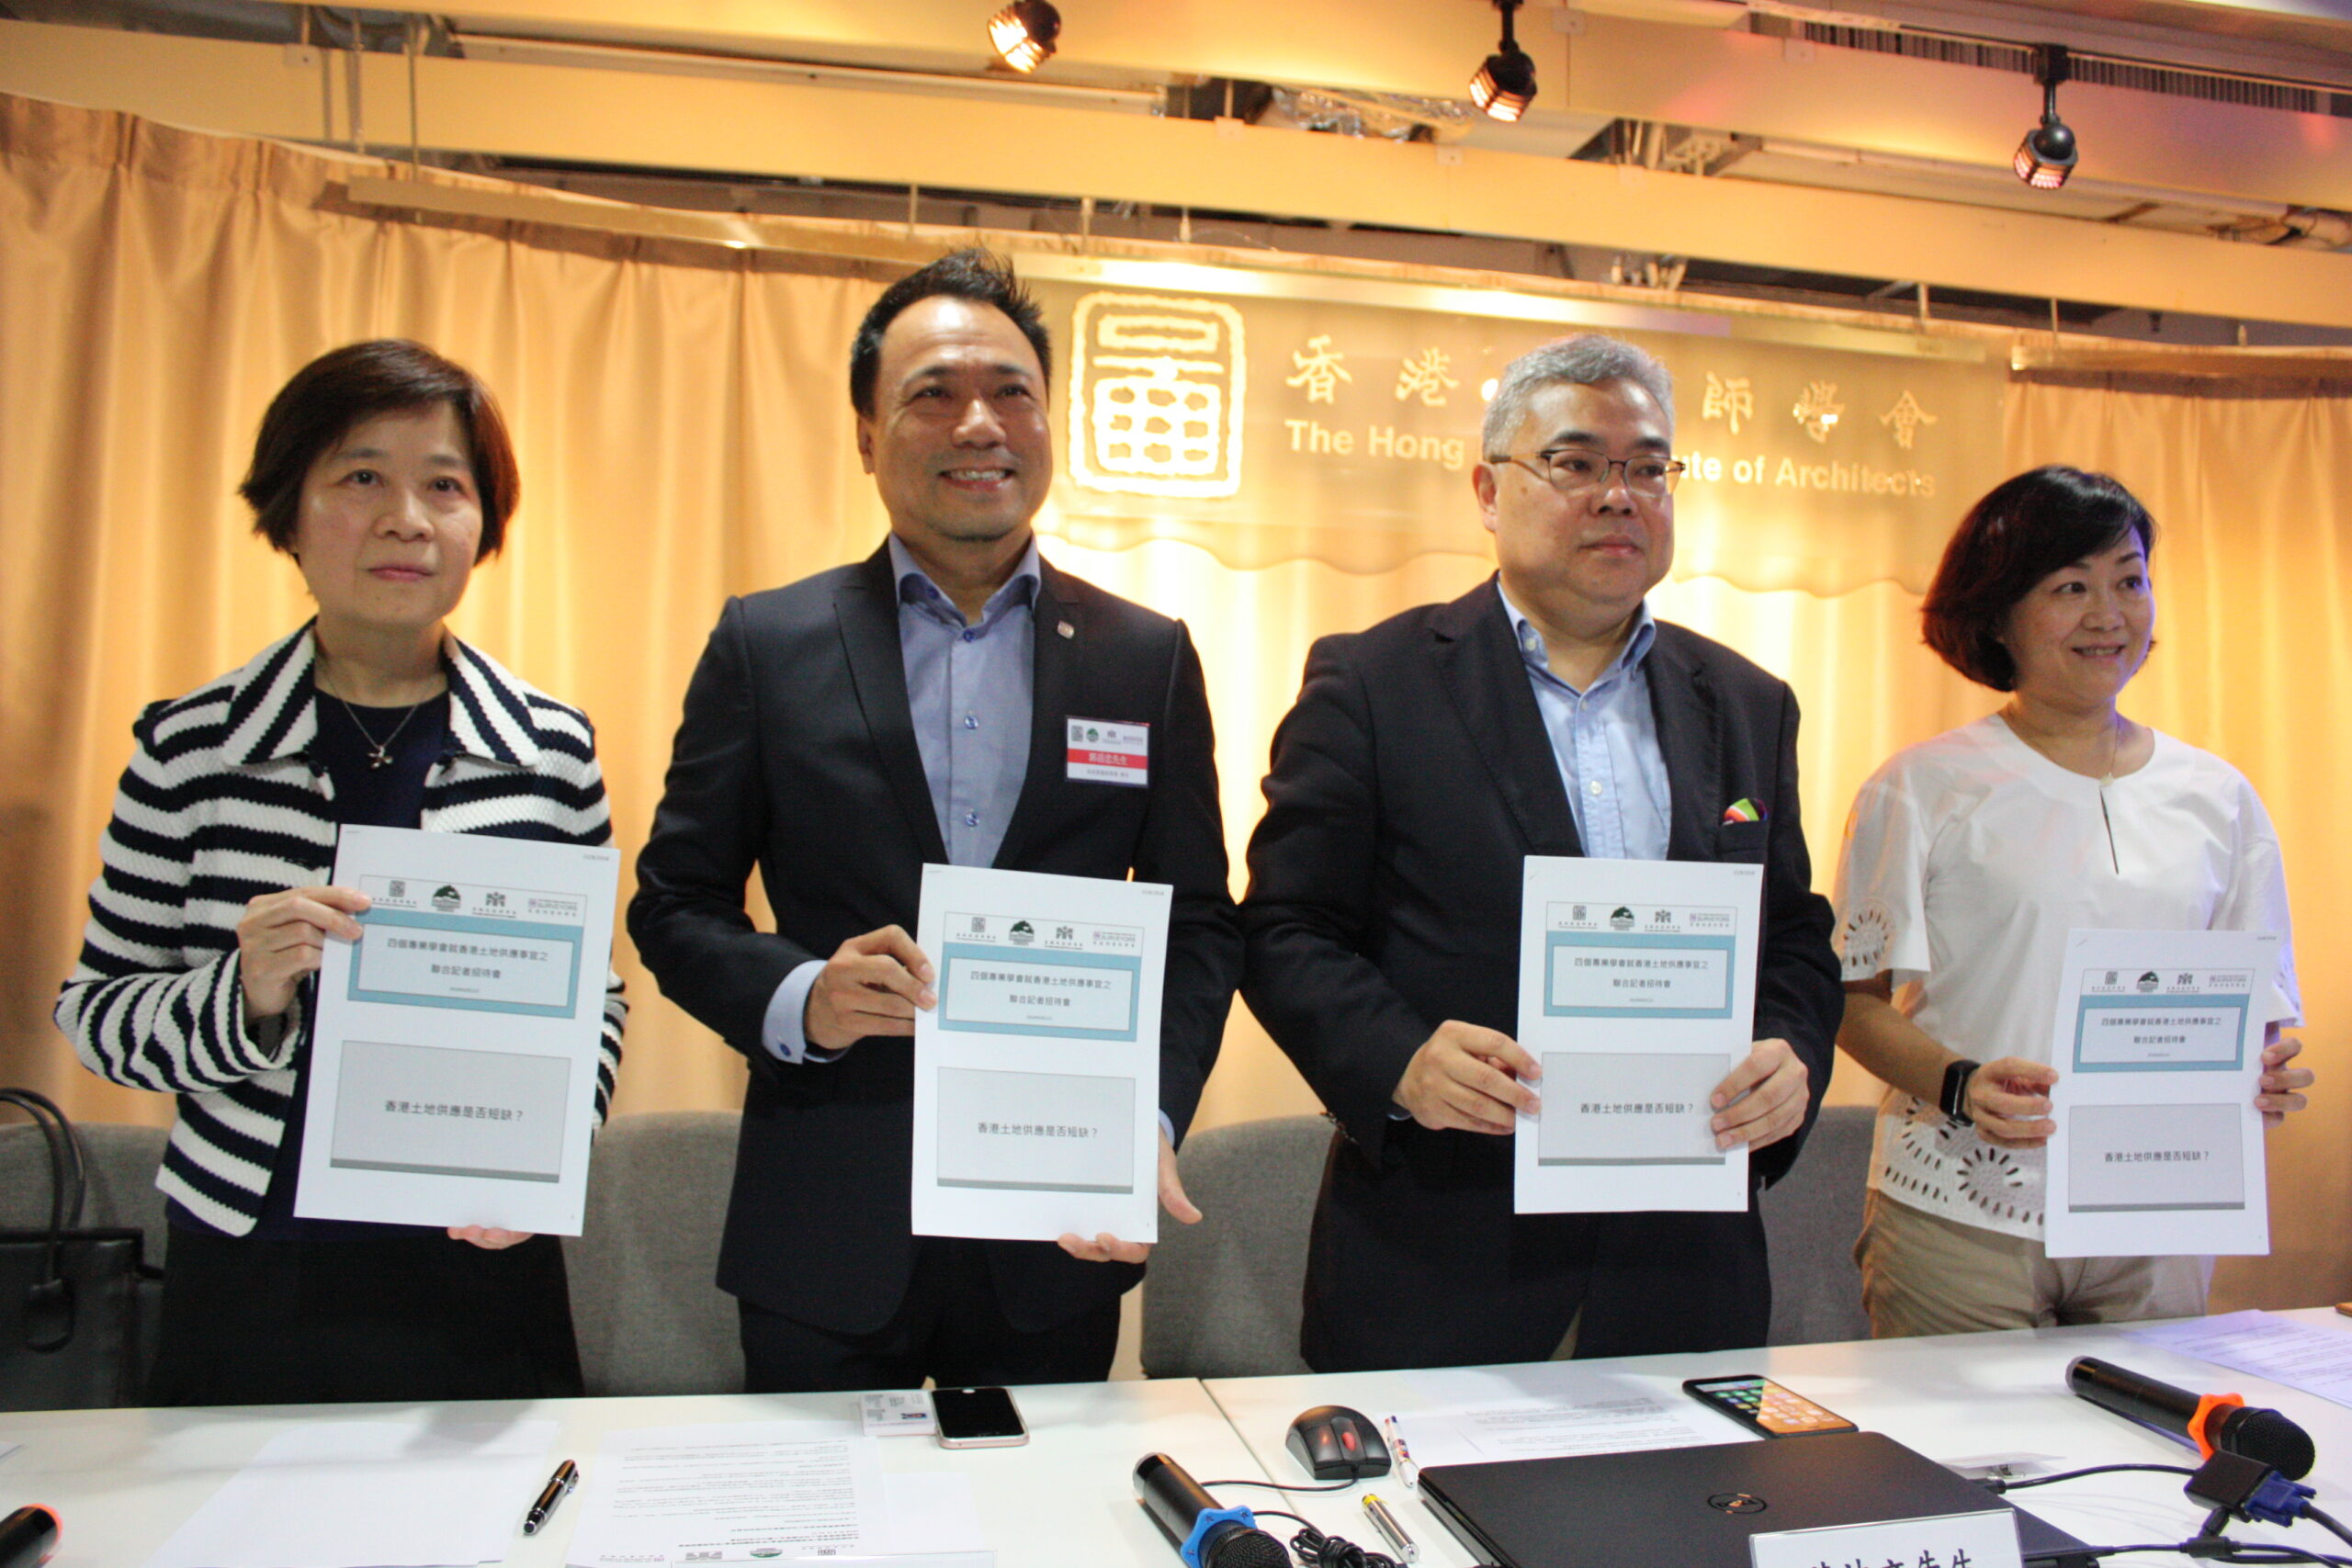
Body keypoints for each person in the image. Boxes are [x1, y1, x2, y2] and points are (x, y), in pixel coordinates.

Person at [628, 248, 1241, 1393]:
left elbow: (1199, 923)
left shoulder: (1143, 658)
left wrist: (1150, 1113)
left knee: (1041, 1501)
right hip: (826, 1222)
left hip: (1054, 1226)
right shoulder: (769, 643)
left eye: (1012, 392)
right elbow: (674, 903)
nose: (980, 424)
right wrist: (800, 997)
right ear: (867, 435)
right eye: (934, 394)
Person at [1240, 333, 1842, 1372]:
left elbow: (1791, 937)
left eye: (1647, 468)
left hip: (1683, 1268)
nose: (1618, 496)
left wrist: (1792, 1056)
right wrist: (1399, 1060)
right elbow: (1285, 928)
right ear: (1488, 490)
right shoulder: (1375, 683)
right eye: (1575, 463)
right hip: (1443, 1262)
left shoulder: (1747, 702)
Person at [55, 340, 626, 1404]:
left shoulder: (548, 748)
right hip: (253, 1256)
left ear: (484, 522)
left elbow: (594, 997)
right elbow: (97, 1014)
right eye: (362, 477)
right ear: (289, 512)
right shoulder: (193, 746)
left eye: (445, 486)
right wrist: (245, 992)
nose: (407, 519)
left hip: (479, 1260)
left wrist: (546, 1149)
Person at [1833, 464, 2311, 1337]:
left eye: (2130, 581)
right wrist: (1960, 1084)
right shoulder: (1923, 785)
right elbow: (1851, 1000)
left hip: (2159, 1207)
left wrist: (2261, 1069)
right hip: (1965, 1209)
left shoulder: (2219, 795)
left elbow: (2254, 1003)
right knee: (1954, 1430)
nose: (2109, 614)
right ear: (1998, 614)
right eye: (2070, 587)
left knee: (2150, 1425)